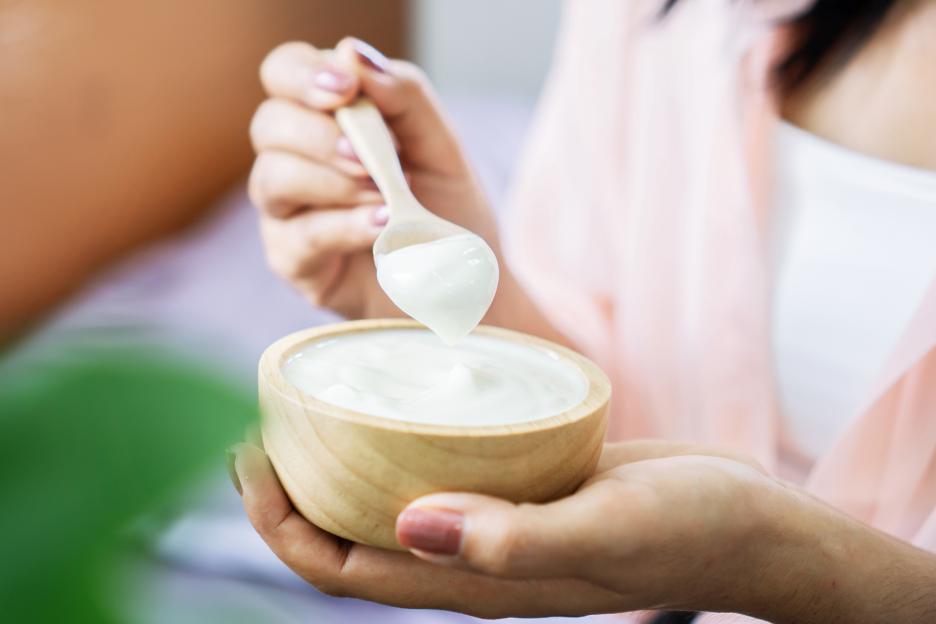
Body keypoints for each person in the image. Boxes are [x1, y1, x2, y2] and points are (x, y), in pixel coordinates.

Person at [233, 0, 936, 621]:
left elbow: (740, 535)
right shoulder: (662, 13)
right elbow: (610, 404)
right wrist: (450, 301)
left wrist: (786, 560)